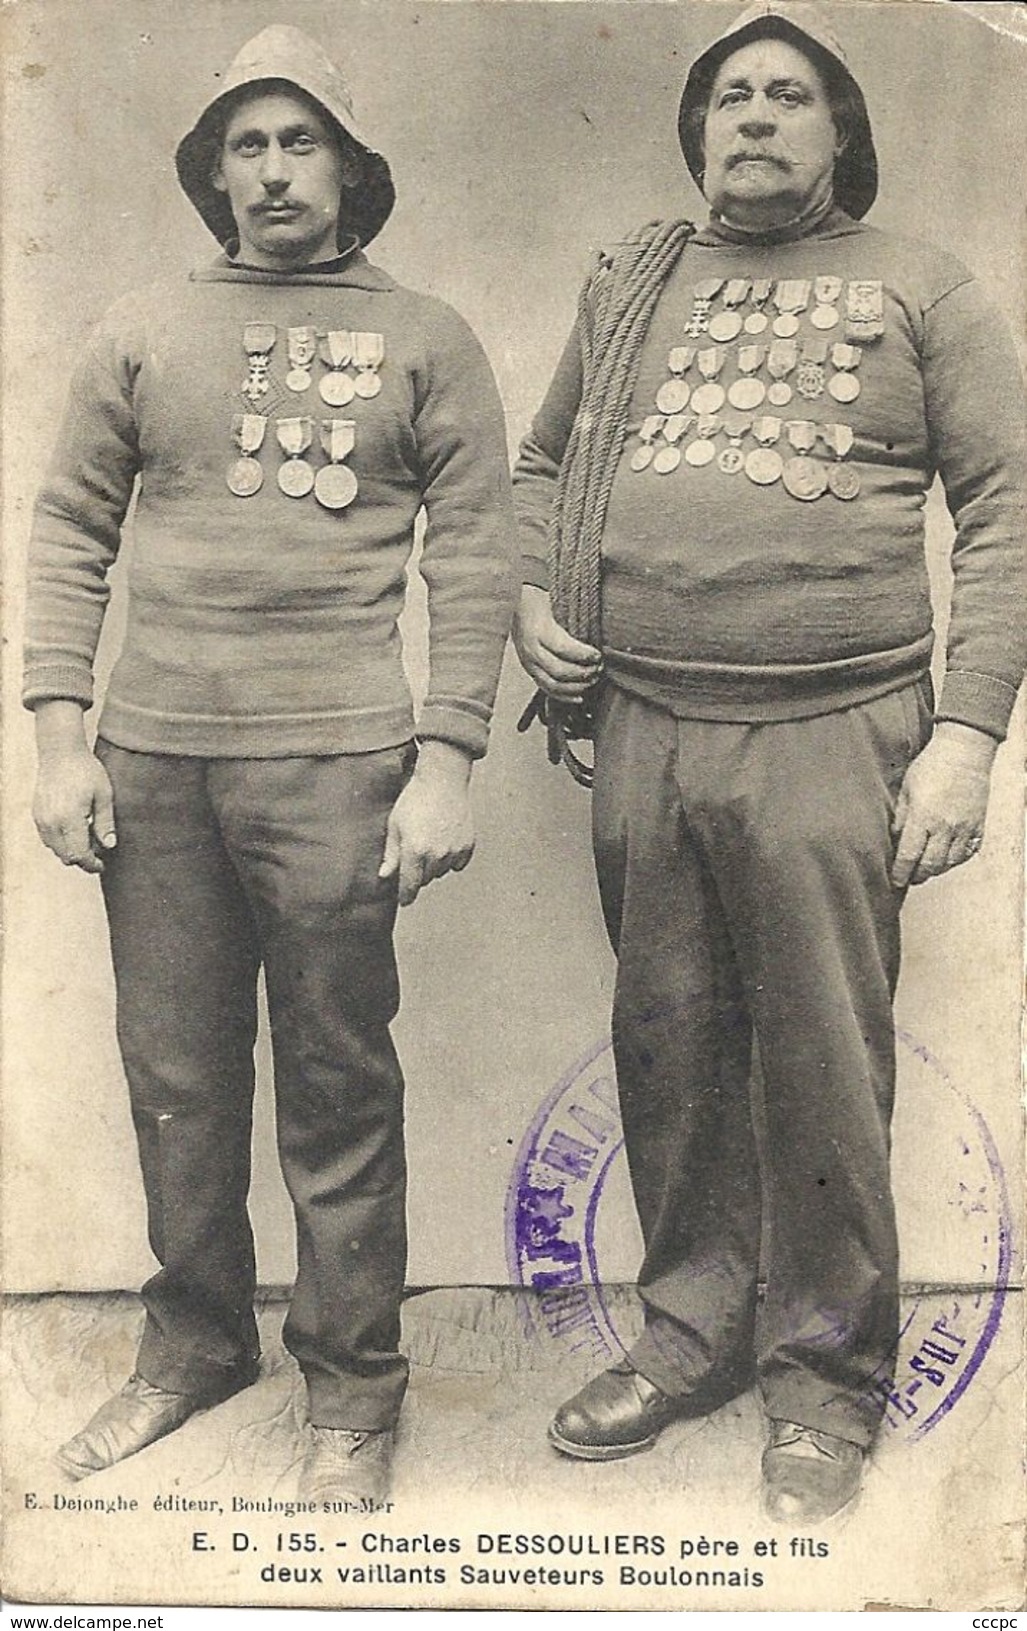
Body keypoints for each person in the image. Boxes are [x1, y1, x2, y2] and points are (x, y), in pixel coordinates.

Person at [511, 0, 1025, 1522]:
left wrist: (968, 738)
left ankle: (825, 1377)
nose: (753, 116)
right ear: (694, 132)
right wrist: (535, 604)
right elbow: (543, 467)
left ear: (841, 133)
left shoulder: (925, 284)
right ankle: (691, 1336)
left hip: (836, 730)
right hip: (647, 722)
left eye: (788, 95)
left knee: (818, 1063)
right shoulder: (630, 283)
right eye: (729, 95)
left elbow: (1006, 514)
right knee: (671, 1051)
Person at [23, 24, 516, 1506]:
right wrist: (60, 739)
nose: (273, 169)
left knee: (335, 1083)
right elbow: (66, 537)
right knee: (175, 1078)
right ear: (211, 173)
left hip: (339, 770)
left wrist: (447, 763)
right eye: (246, 143)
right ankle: (191, 1349)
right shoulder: (135, 328)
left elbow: (480, 557)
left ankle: (355, 1390)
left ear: (352, 171)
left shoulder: (428, 335)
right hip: (154, 764)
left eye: (301, 141)